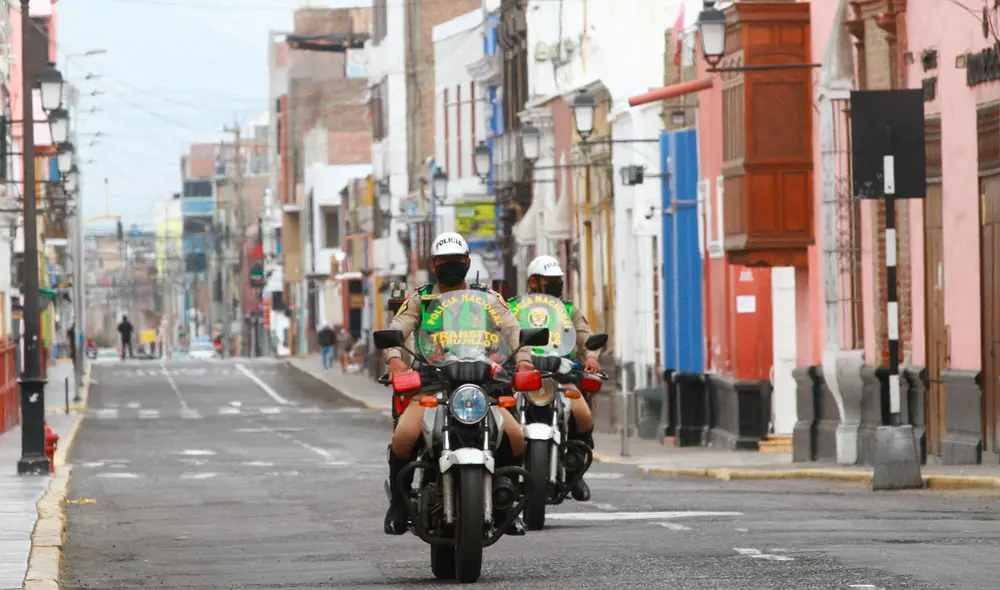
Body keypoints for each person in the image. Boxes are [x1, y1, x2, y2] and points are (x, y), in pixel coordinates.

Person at [382, 231, 535, 536]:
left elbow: (513, 329)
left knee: (516, 435)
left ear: (467, 262)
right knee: (404, 436)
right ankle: (399, 504)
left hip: (483, 387)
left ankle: (506, 503)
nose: (450, 266)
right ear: (433, 264)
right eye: (443, 261)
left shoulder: (489, 299)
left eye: (456, 261)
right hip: (431, 385)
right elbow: (396, 330)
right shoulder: (420, 299)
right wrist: (395, 360)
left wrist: (524, 360)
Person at [509, 255, 603, 502]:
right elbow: (500, 335)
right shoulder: (514, 307)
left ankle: (575, 472)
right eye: (549, 280)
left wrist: (591, 356)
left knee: (582, 415)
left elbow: (585, 337)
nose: (555, 284)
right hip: (523, 376)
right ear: (533, 282)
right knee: (501, 416)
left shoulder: (568, 310)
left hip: (560, 376)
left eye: (558, 280)